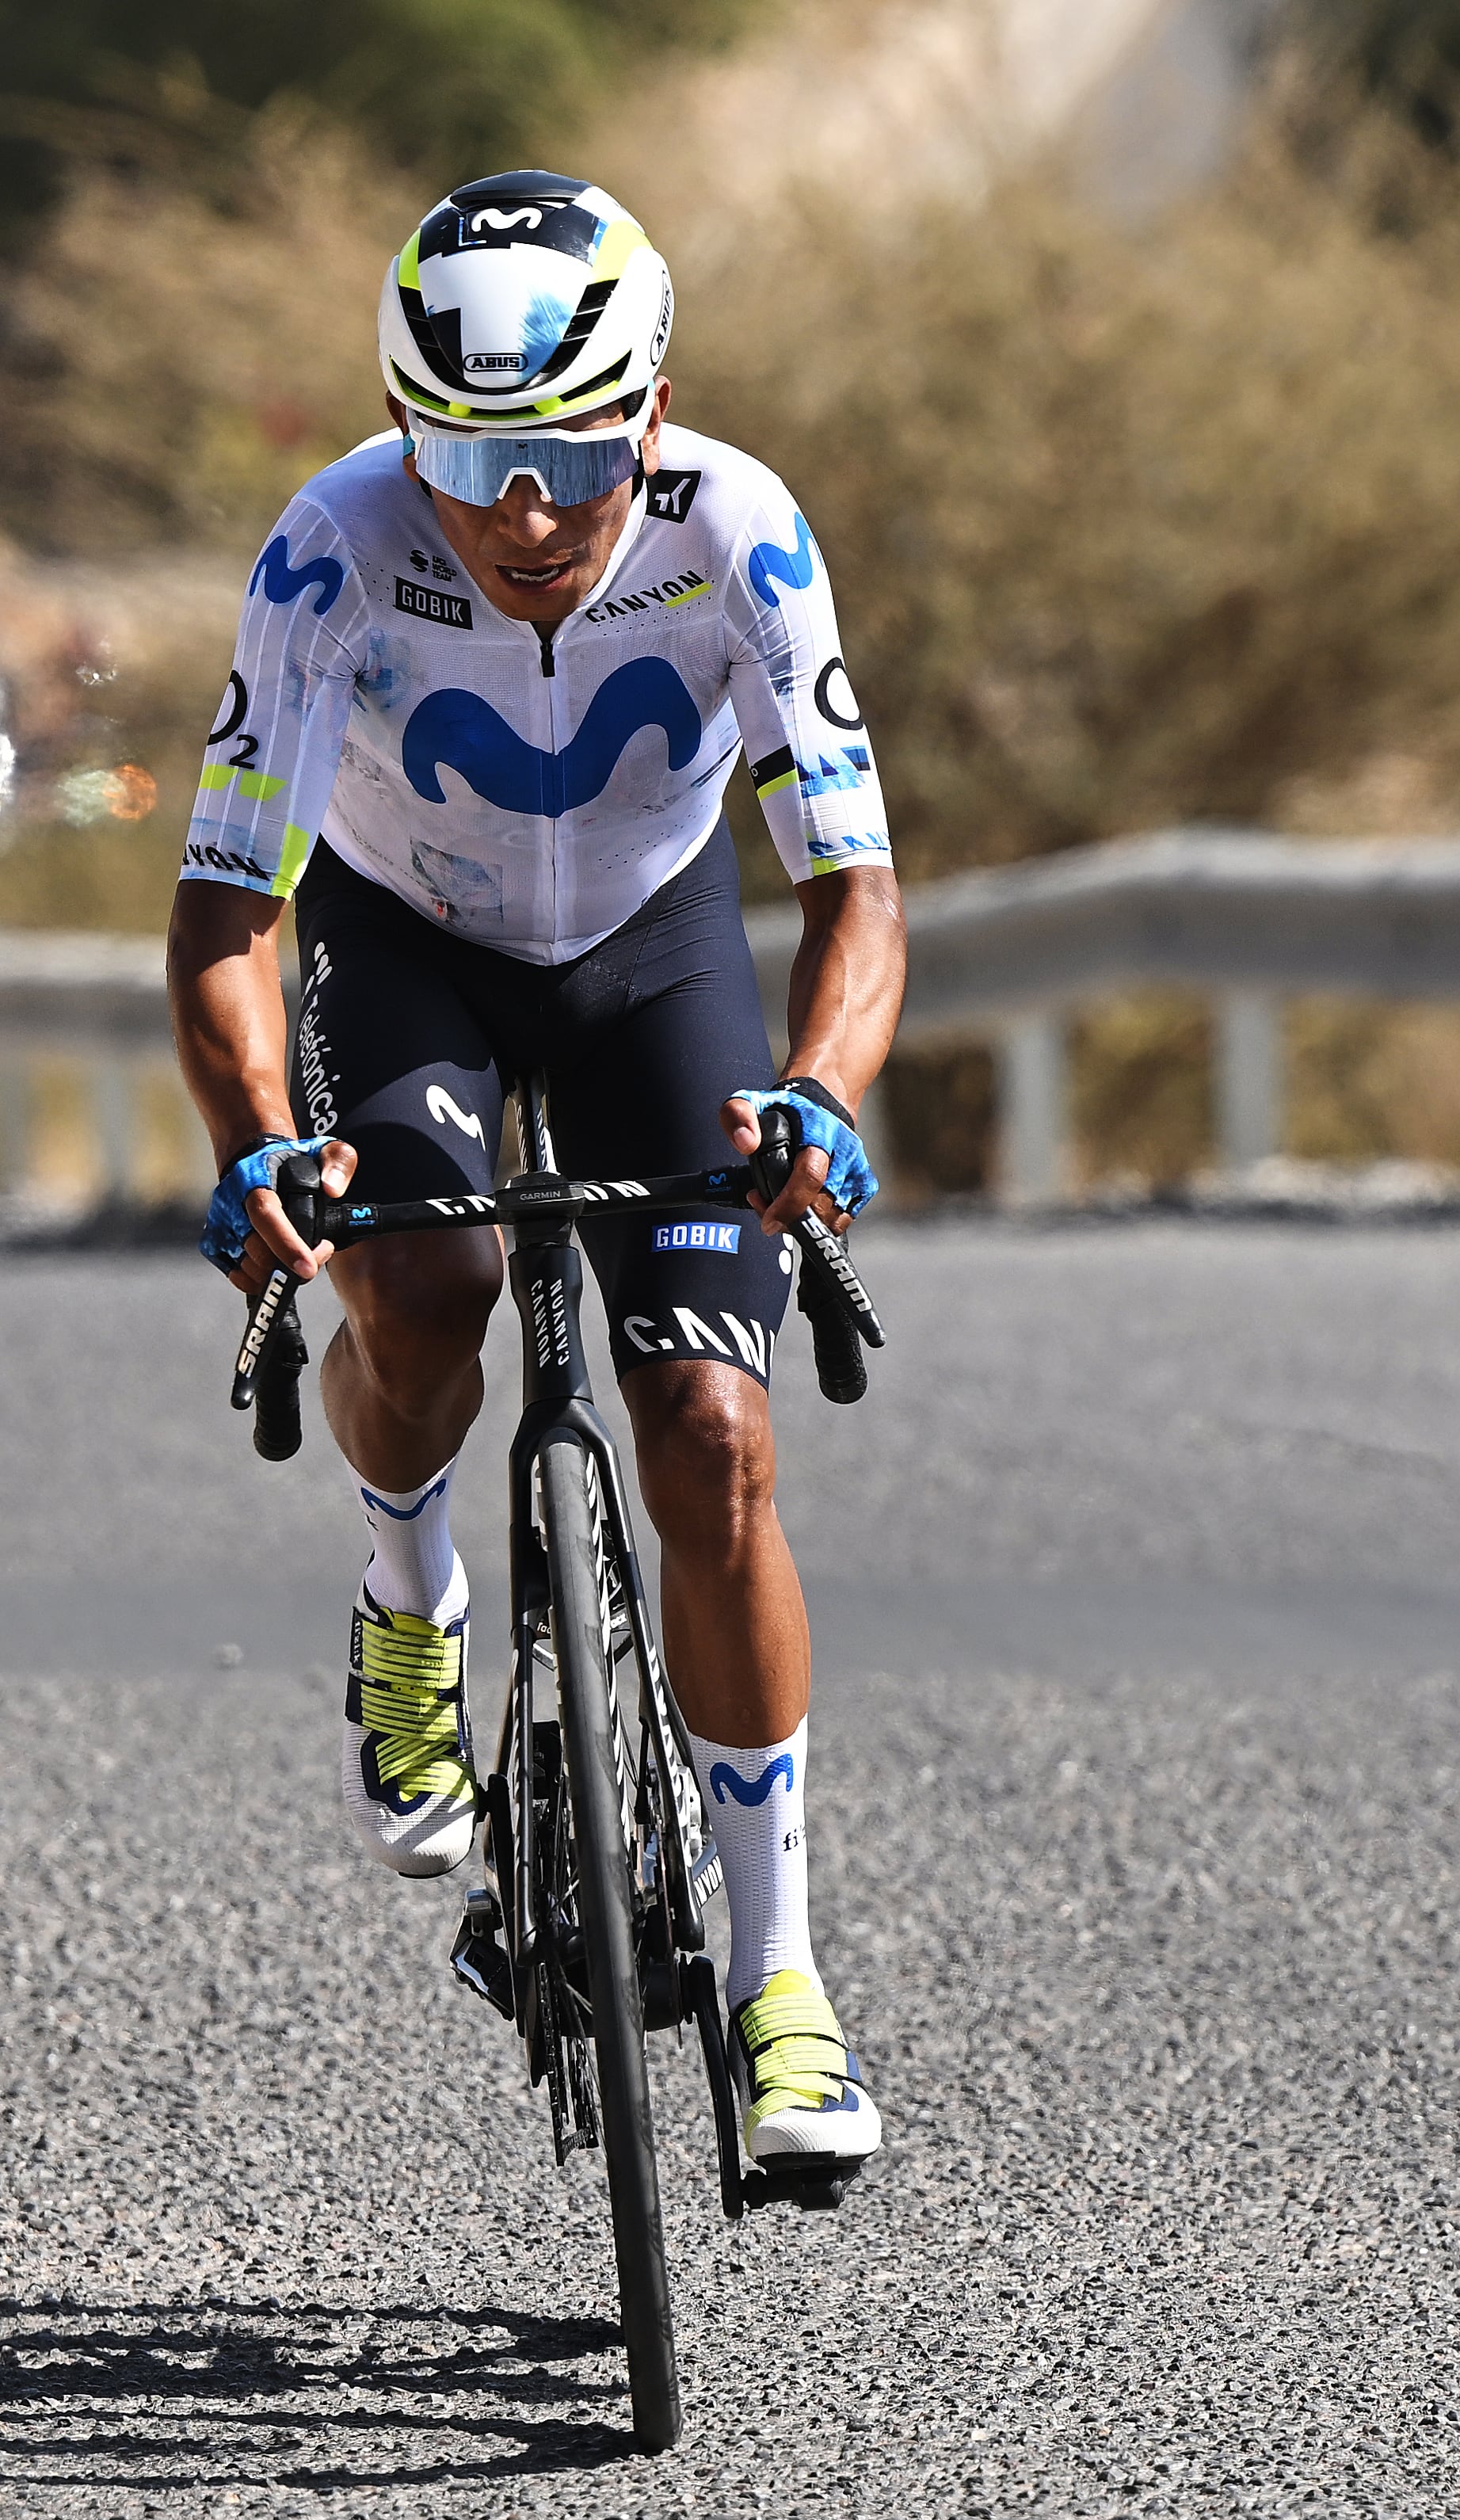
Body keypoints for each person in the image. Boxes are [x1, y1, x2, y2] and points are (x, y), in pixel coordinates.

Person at [166, 173, 903, 2177]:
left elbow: (853, 886)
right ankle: (407, 1589)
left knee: (713, 1441)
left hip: (655, 951)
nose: (520, 510)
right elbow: (229, 900)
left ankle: (779, 1980)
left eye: (570, 455)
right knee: (425, 1296)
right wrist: (257, 1151)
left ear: (649, 412)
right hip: (410, 944)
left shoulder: (739, 532)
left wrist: (823, 1096)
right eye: (469, 456)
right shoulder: (332, 547)